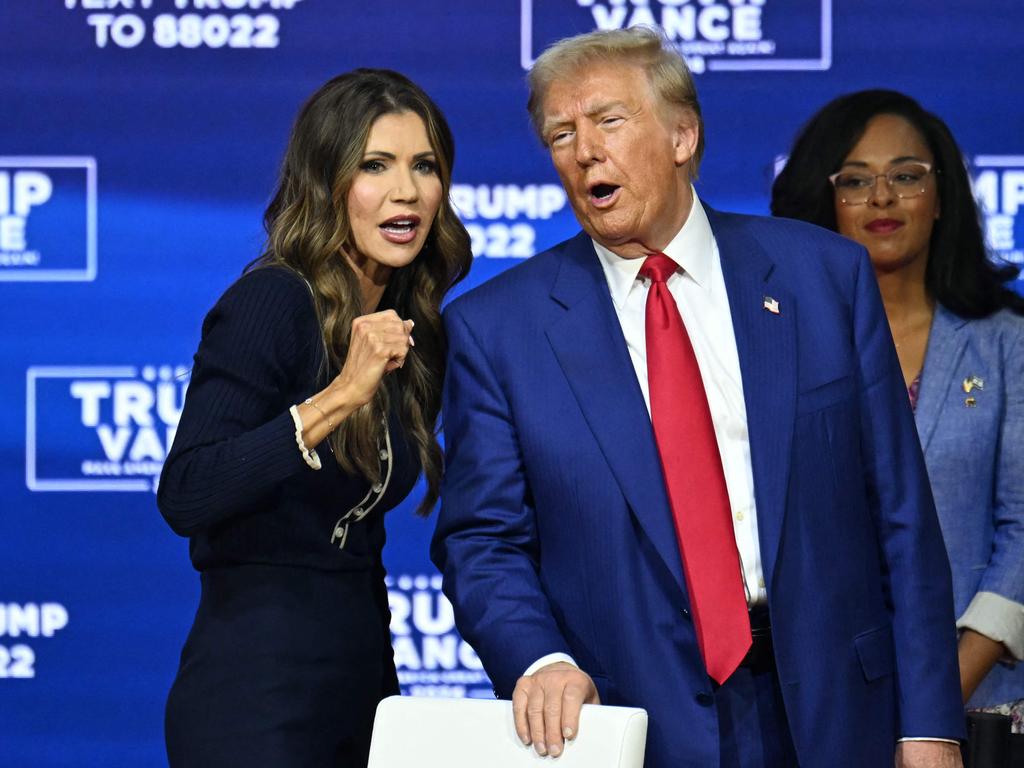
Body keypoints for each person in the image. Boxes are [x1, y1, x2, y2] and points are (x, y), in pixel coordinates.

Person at [431, 28, 965, 767]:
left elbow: (901, 517)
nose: (584, 151)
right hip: (631, 719)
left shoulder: (823, 280)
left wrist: (930, 724)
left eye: (608, 121)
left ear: (683, 135)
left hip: (836, 712)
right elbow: (483, 540)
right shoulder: (498, 330)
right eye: (561, 133)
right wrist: (539, 661)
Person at [158, 69, 472, 767]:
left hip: (362, 689)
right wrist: (338, 397)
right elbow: (187, 490)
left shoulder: (411, 324)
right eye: (375, 166)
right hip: (254, 696)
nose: (407, 191)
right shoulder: (273, 302)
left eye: (424, 166)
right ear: (328, 182)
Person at [772, 89, 1024, 731]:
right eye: (854, 180)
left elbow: (1022, 530)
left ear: (942, 197)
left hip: (983, 704)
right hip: (817, 708)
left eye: (906, 176)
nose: (882, 198)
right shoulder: (777, 344)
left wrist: (935, 698)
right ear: (822, 201)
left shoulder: (1006, 341)